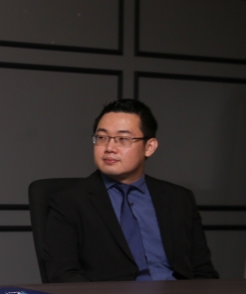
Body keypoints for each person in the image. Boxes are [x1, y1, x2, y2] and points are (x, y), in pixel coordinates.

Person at [44, 98, 218, 283]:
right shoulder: (69, 201)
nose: (109, 148)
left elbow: (203, 270)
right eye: (102, 138)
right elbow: (63, 274)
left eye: (123, 139)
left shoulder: (179, 198)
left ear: (149, 147)